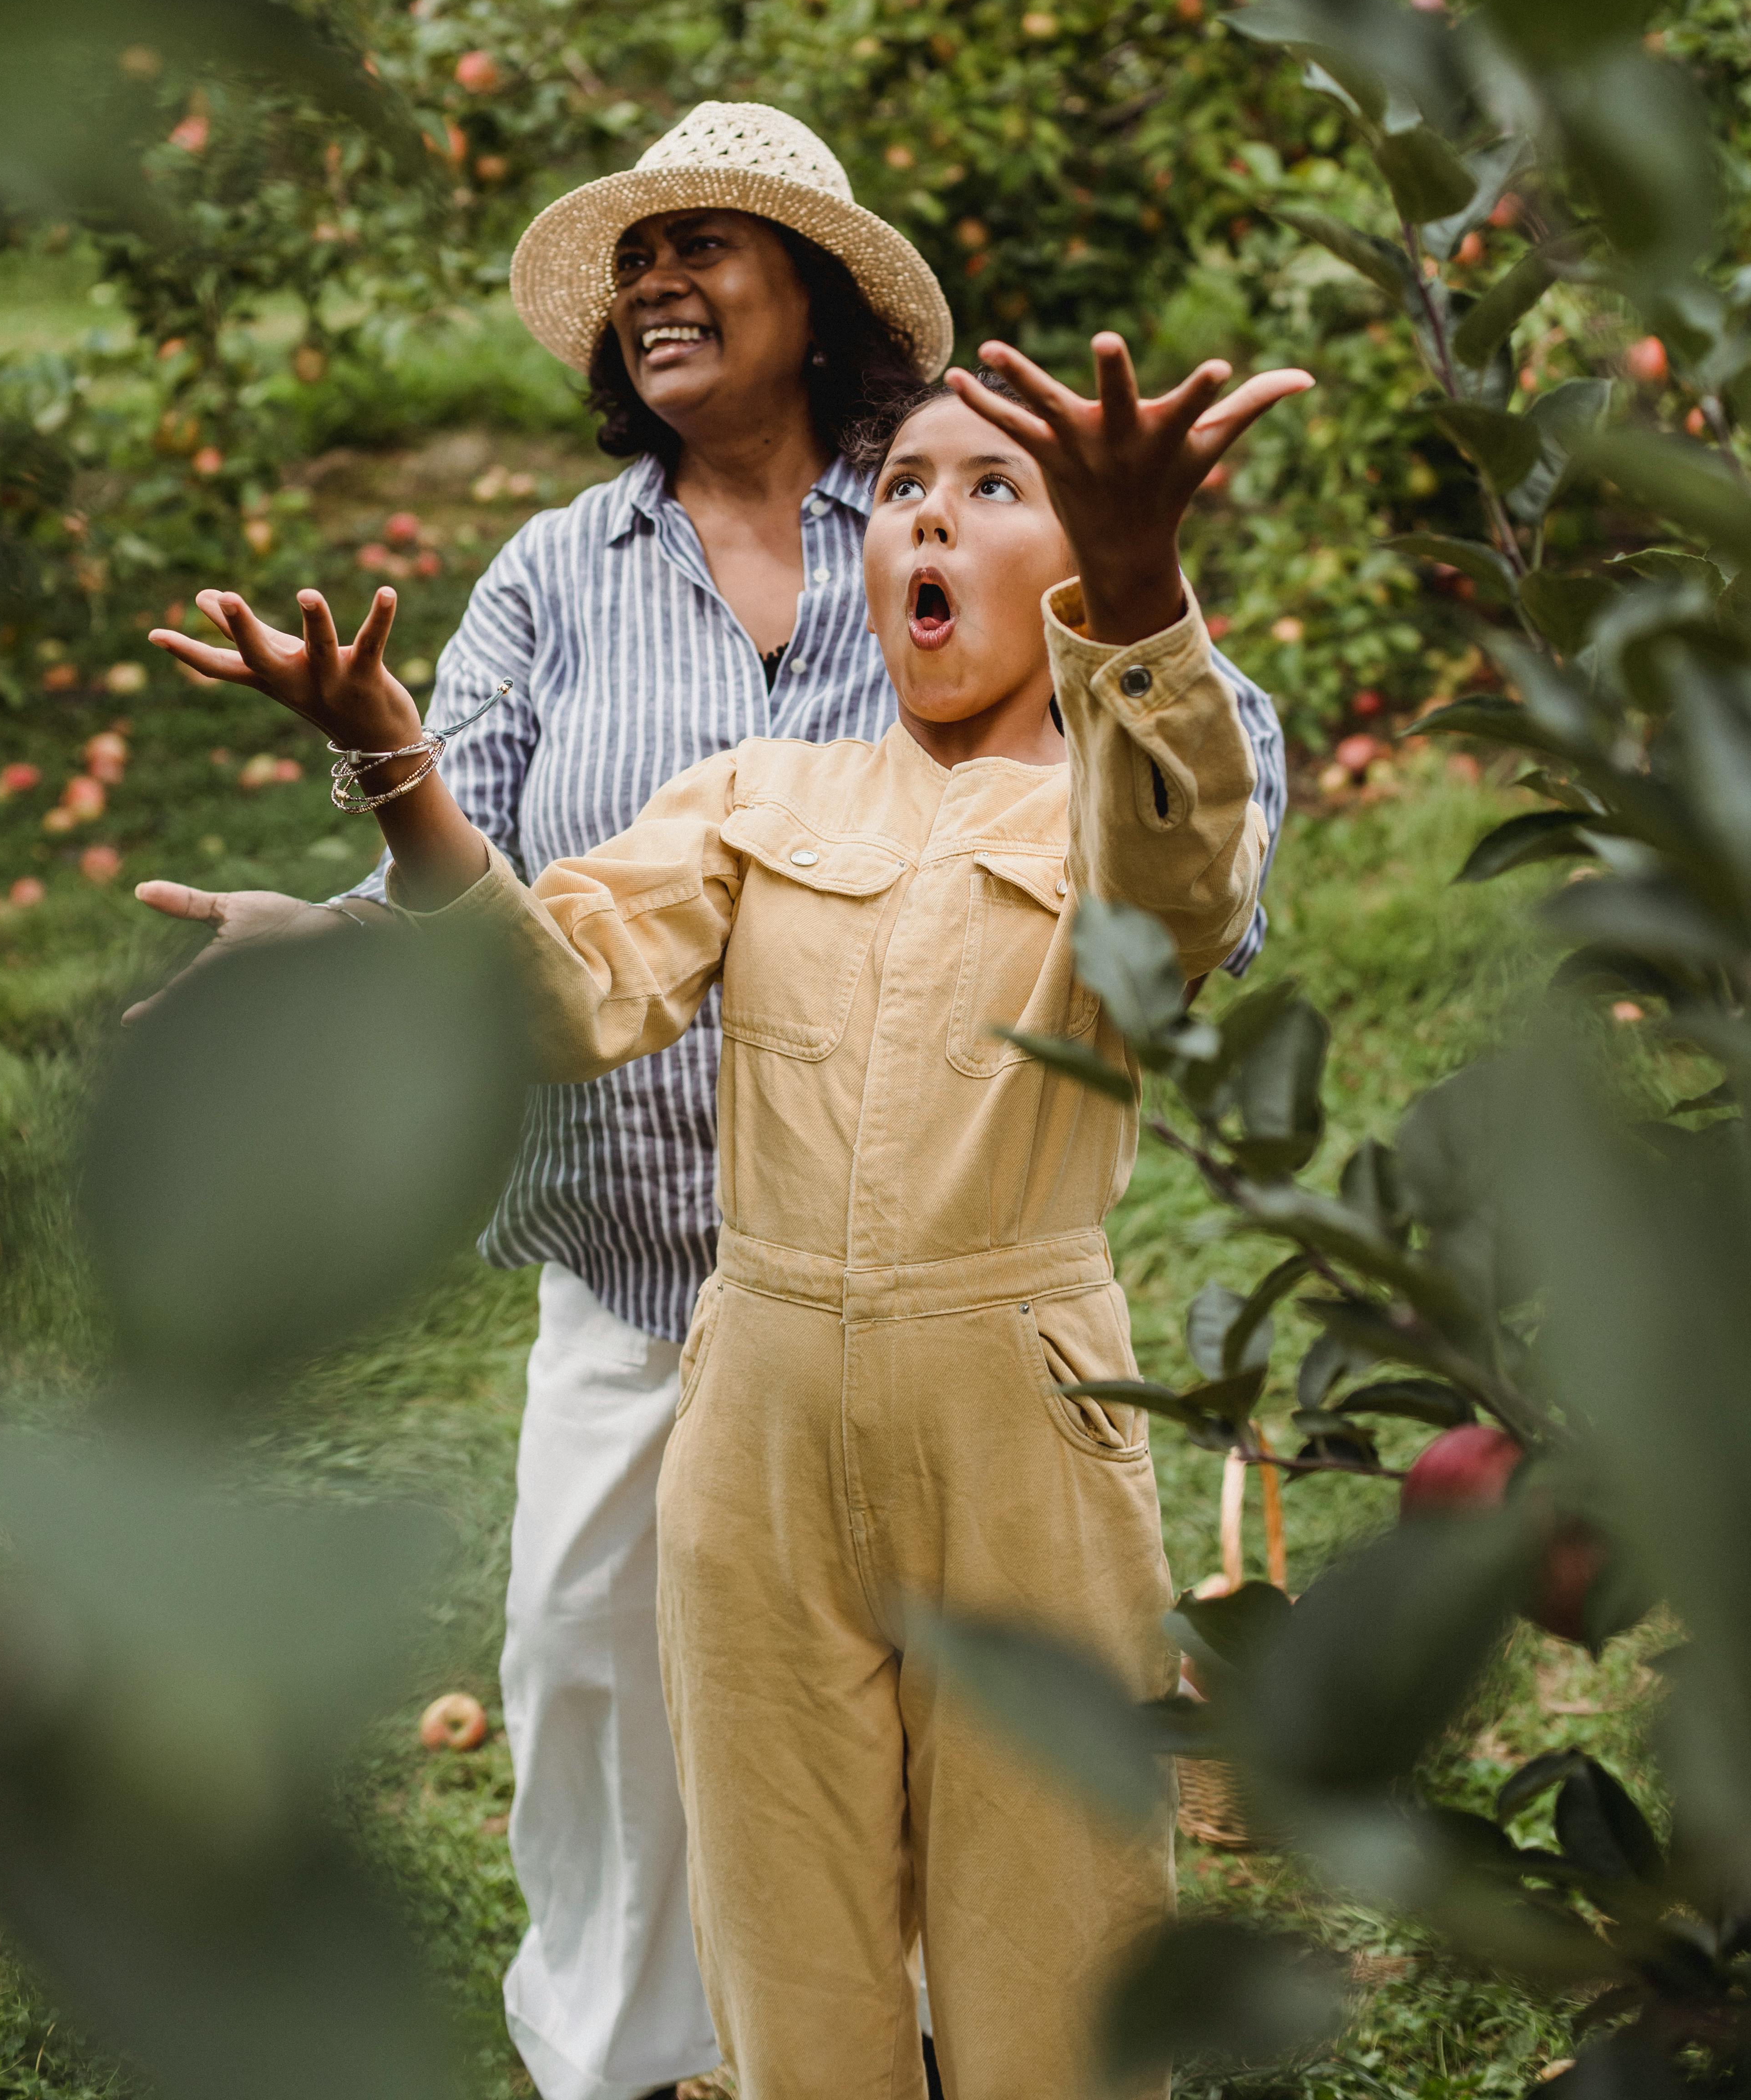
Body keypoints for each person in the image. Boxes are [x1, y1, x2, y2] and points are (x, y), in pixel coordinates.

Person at [132, 102, 1291, 2100]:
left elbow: (1190, 859)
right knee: (661, 1761)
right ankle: (628, 2070)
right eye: (631, 261)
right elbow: (535, 931)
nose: (654, 286)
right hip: (671, 1280)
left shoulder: (1008, 618)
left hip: (989, 1349)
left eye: (705, 246)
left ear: (819, 297)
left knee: (1025, 1835)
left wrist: (1131, 580)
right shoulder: (606, 621)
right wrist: (370, 840)